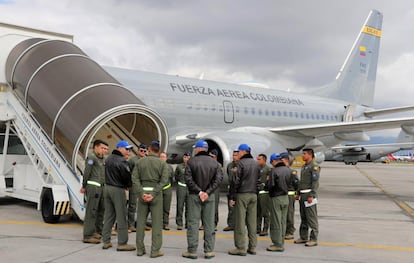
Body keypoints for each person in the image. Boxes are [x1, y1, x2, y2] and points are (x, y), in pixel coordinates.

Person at [182, 140, 222, 260]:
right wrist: (207, 192)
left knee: (193, 223)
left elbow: (188, 179)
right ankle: (209, 250)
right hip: (209, 197)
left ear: (198, 149)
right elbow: (218, 180)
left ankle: (192, 250)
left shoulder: (191, 162)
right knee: (209, 223)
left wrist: (199, 192)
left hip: (195, 196)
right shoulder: (215, 163)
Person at [134, 140, 168, 258]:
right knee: (157, 223)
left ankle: (140, 249)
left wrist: (142, 193)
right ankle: (155, 251)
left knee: (140, 223)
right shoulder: (162, 164)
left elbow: (135, 179)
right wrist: (153, 193)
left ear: (149, 149)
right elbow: (164, 181)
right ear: (158, 150)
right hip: (156, 196)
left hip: (142, 194)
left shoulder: (140, 162)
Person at [101, 140, 136, 251]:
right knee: (122, 216)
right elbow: (127, 177)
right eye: (127, 149)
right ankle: (122, 243)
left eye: (129, 150)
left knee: (108, 215)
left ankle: (106, 241)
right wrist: (128, 185)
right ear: (119, 148)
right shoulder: (122, 161)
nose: (128, 152)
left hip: (107, 188)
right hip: (117, 189)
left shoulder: (108, 159)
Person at [228, 144, 261, 256]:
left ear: (243, 152)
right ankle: (252, 247)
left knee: (240, 222)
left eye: (239, 152)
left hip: (242, 194)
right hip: (253, 195)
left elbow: (236, 181)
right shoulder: (256, 163)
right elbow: (258, 181)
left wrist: (232, 197)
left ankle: (241, 247)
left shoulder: (241, 163)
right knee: (252, 222)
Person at [81, 139, 108, 244]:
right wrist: (84, 186)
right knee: (91, 211)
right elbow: (87, 172)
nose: (104, 151)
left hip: (101, 188)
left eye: (106, 149)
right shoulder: (92, 158)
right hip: (93, 187)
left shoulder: (103, 159)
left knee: (101, 210)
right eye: (102, 148)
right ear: (96, 147)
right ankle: (87, 235)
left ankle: (97, 231)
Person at [265, 153, 291, 252]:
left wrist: (267, 185)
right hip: (285, 197)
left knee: (276, 221)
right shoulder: (288, 170)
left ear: (274, 161)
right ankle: (282, 241)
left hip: (276, 197)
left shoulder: (274, 171)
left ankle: (277, 244)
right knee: (283, 221)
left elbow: (270, 185)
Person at [294, 148, 320, 247]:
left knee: (311, 217)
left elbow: (315, 182)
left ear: (310, 155)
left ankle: (313, 238)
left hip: (309, 195)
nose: (302, 156)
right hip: (303, 194)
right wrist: (298, 193)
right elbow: (302, 182)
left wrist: (312, 195)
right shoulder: (304, 166)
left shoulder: (314, 167)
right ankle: (303, 236)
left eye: (304, 154)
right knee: (303, 217)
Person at [127, 143, 147, 233]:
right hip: (135, 185)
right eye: (141, 150)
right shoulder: (132, 160)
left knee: (143, 206)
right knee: (132, 205)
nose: (143, 152)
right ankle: (131, 224)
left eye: (144, 151)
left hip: (144, 185)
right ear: (138, 150)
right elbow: (128, 172)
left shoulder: (147, 160)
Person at [280, 152, 299, 240]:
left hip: (289, 196)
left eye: (282, 159)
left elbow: (296, 184)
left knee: (289, 214)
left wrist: (296, 193)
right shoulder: (280, 170)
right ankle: (283, 230)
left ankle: (290, 231)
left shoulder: (292, 172)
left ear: (287, 160)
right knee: (281, 214)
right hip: (281, 195)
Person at [223, 149, 239, 231]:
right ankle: (230, 224)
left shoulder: (241, 165)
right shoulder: (229, 165)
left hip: (238, 189)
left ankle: (238, 225)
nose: (234, 157)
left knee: (238, 208)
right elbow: (229, 175)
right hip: (230, 188)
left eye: (236, 155)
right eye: (233, 155)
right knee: (230, 208)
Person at [256, 153, 272, 236]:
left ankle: (265, 229)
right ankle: (257, 228)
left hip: (264, 194)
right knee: (257, 212)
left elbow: (269, 181)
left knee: (265, 212)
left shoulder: (268, 169)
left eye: (259, 159)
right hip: (257, 193)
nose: (257, 161)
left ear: (264, 160)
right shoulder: (256, 168)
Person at [174, 152, 191, 230]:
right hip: (181, 186)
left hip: (189, 188)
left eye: (187, 157)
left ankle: (188, 223)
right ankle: (179, 223)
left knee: (189, 207)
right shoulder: (179, 166)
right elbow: (176, 176)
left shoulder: (192, 166)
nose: (186, 159)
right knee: (180, 206)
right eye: (184, 157)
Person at [160, 151, 174, 230]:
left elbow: (172, 179)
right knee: (158, 207)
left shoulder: (169, 167)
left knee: (166, 207)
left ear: (166, 158)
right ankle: (158, 223)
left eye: (163, 157)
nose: (162, 158)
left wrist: (169, 187)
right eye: (161, 157)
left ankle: (165, 223)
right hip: (159, 189)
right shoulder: (156, 166)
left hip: (167, 188)